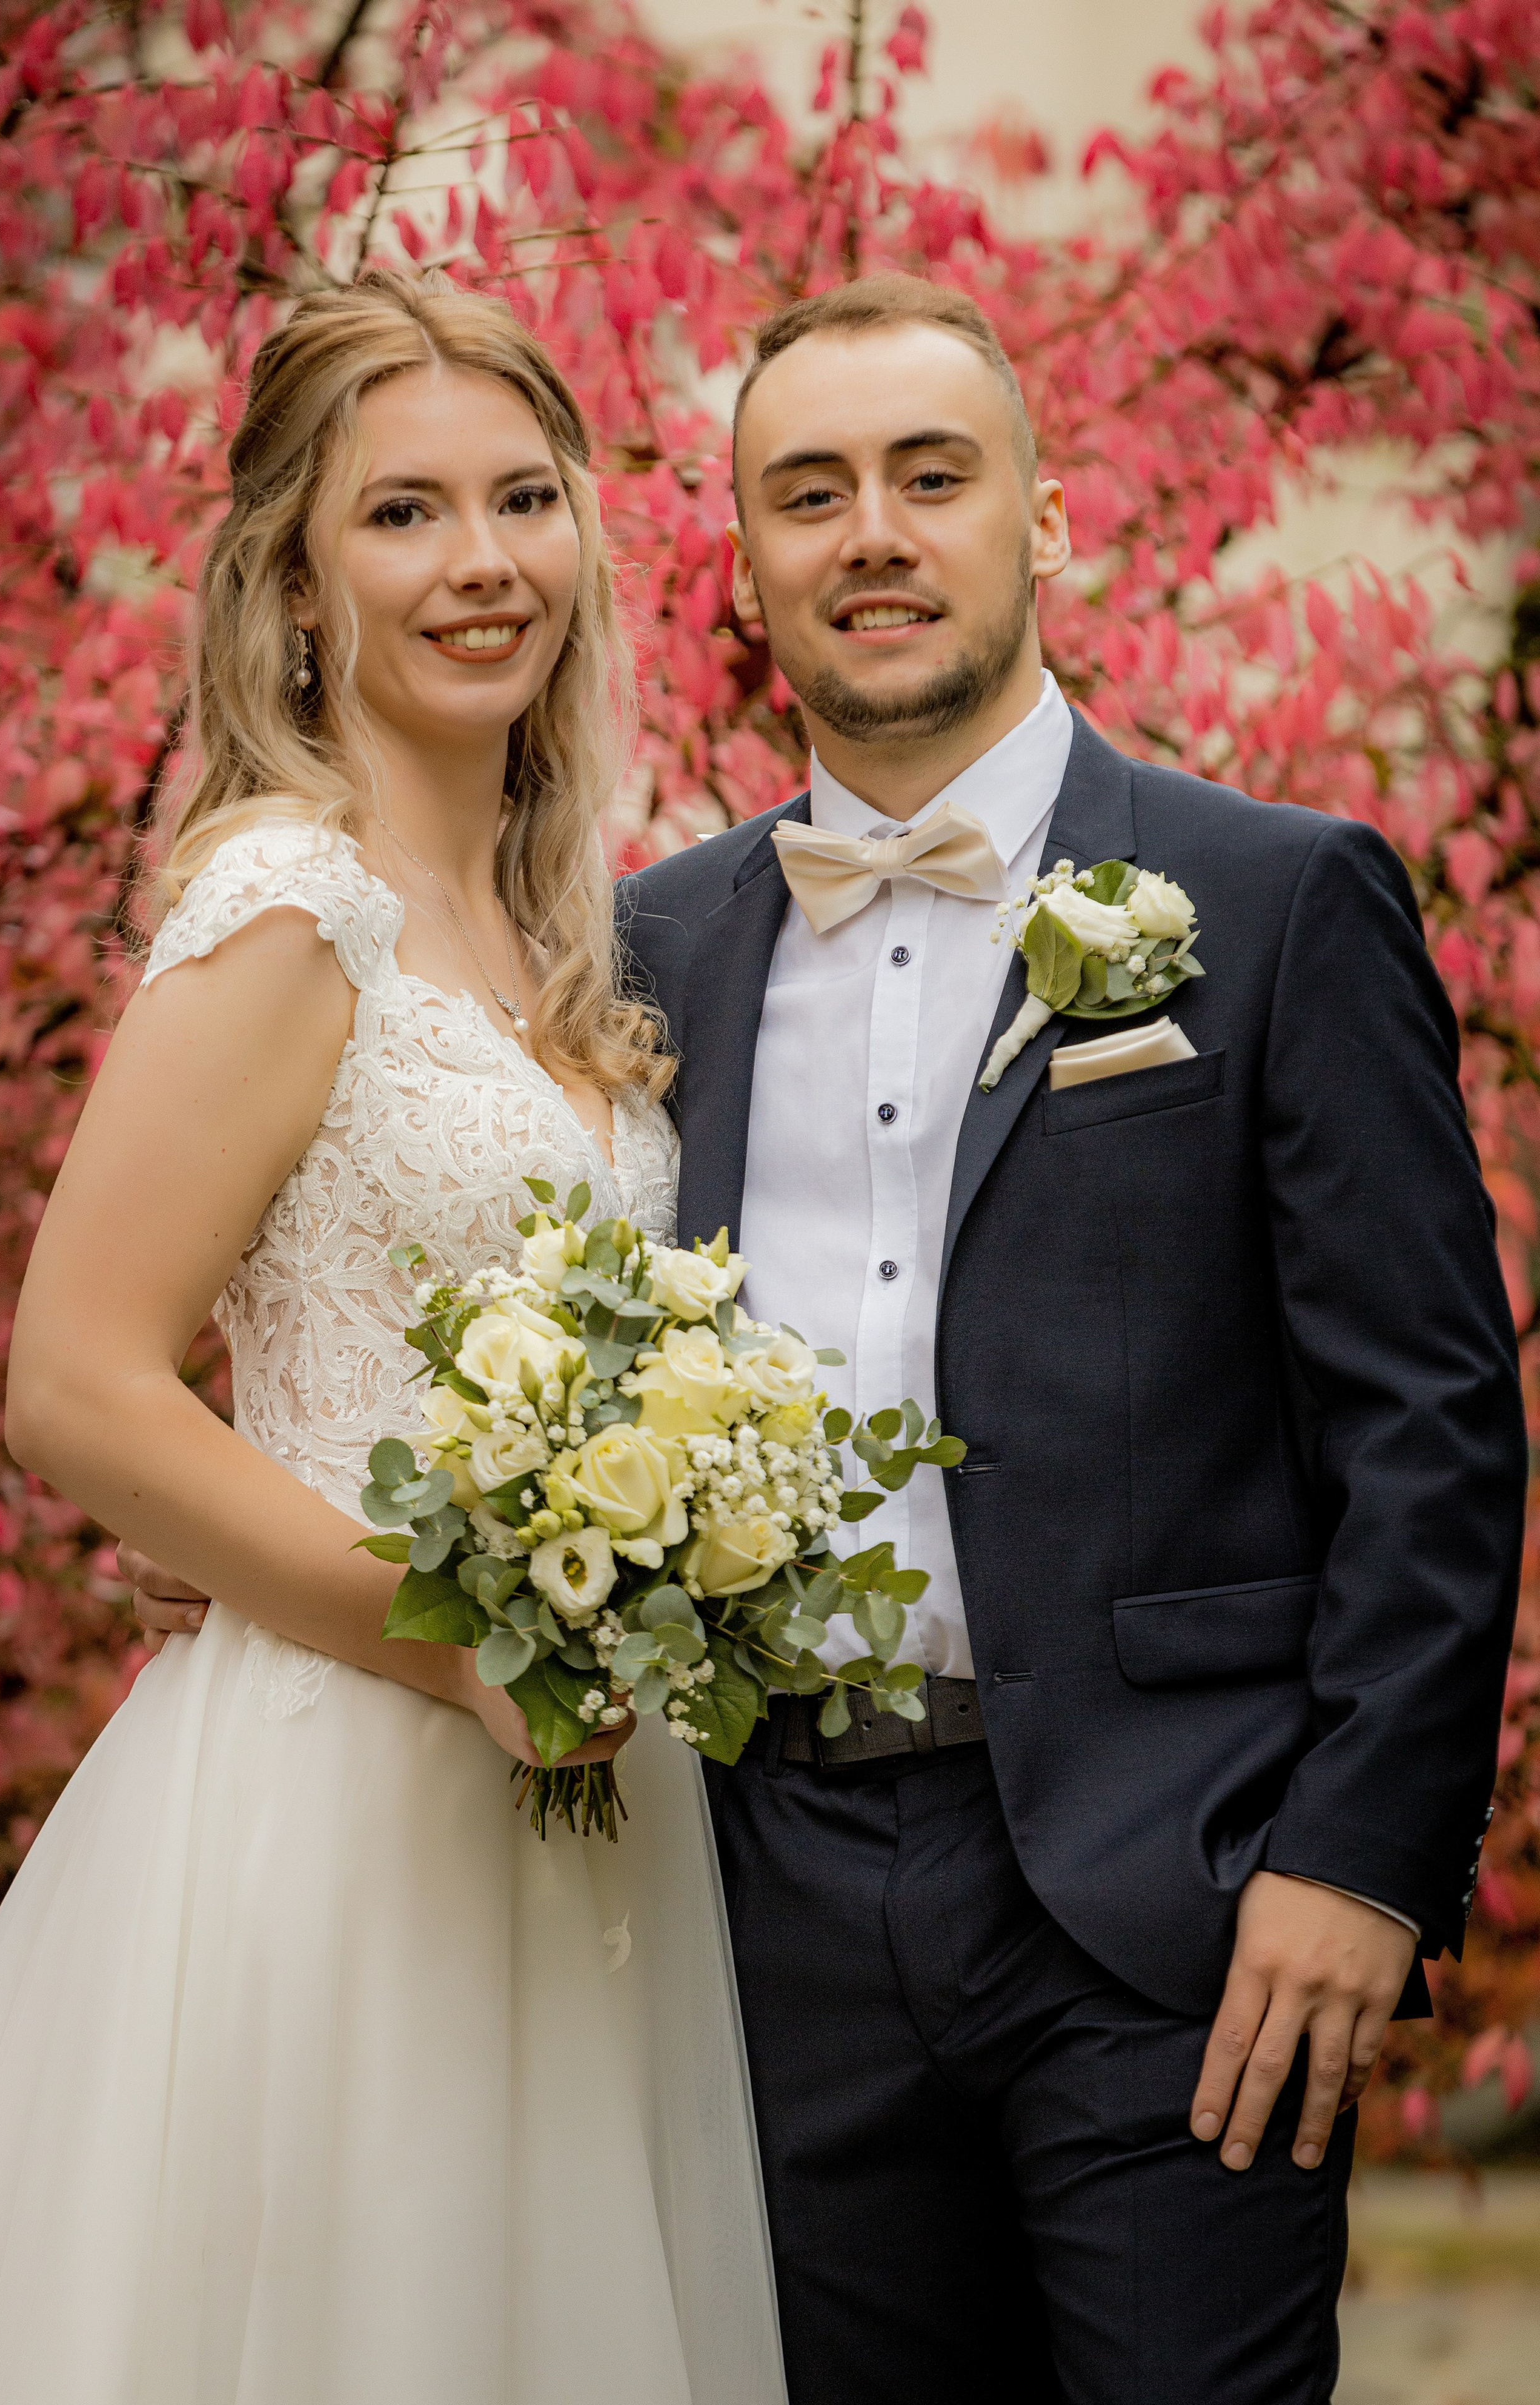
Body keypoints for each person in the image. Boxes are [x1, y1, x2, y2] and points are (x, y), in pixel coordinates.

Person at [609, 277, 1527, 2401]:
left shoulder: (1280, 895)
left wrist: (1355, 1864)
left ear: (1046, 514)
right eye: (809, 493)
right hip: (773, 1914)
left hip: (1181, 1902)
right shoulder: (651, 948)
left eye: (933, 476)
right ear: (743, 563)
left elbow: (1434, 1428)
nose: (875, 534)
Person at [0, 269, 786, 2405]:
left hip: (587, 1805)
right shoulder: (283, 907)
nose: (481, 563)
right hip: (348, 1789)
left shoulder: (568, 933)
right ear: (299, 582)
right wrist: (463, 1646)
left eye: (525, 499)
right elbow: (81, 1380)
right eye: (404, 515)